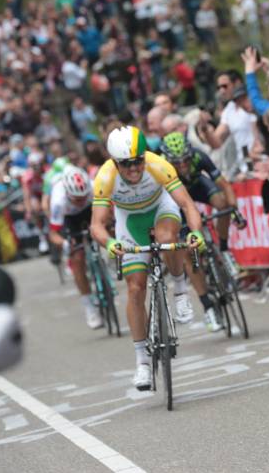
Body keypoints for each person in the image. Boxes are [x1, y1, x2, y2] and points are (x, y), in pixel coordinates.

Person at [90, 126, 206, 391]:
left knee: (167, 239)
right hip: (129, 221)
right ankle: (142, 361)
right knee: (135, 287)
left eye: (138, 161)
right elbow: (96, 225)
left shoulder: (158, 165)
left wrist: (197, 233)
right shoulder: (105, 177)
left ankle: (179, 291)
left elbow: (187, 205)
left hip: (160, 208)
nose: (134, 169)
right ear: (115, 163)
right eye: (126, 164)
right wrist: (109, 242)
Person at [160, 131, 247, 297]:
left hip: (198, 186)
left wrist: (234, 211)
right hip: (176, 198)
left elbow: (225, 185)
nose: (183, 165)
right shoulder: (161, 167)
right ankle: (207, 305)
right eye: (177, 163)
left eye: (186, 160)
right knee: (187, 254)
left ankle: (224, 249)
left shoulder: (199, 157)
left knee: (222, 203)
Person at [48, 165, 102, 330]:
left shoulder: (94, 187)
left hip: (90, 210)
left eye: (83, 197)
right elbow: (53, 234)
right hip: (69, 219)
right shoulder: (58, 200)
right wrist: (64, 243)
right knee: (77, 257)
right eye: (76, 199)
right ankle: (89, 306)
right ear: (67, 193)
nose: (80, 201)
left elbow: (109, 212)